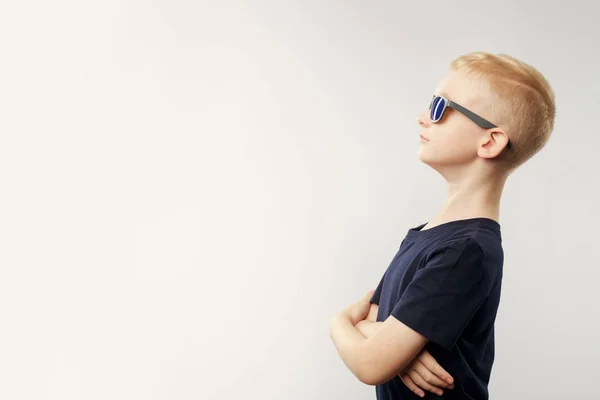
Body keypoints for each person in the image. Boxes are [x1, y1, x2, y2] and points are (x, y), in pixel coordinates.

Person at [329, 51, 556, 399]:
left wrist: (338, 323)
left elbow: (369, 361)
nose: (423, 118)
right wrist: (398, 353)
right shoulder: (426, 235)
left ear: (490, 141)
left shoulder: (465, 250)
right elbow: (373, 319)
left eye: (440, 107)